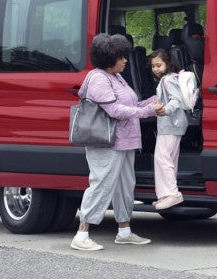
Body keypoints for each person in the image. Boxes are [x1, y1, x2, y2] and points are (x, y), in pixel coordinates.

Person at [70, 33, 164, 251]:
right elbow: (114, 110)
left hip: (125, 141)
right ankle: (81, 234)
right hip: (107, 143)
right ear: (108, 58)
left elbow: (132, 104)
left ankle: (124, 231)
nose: (125, 61)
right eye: (121, 57)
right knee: (101, 185)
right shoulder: (98, 78)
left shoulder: (117, 76)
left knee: (124, 187)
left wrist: (154, 100)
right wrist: (148, 111)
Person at [149, 48, 187, 210]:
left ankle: (172, 193)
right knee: (169, 159)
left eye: (159, 65)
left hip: (170, 124)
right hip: (173, 125)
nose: (156, 69)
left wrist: (165, 110)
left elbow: (176, 100)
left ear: (168, 64)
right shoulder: (170, 79)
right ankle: (165, 195)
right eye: (153, 66)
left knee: (162, 158)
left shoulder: (167, 80)